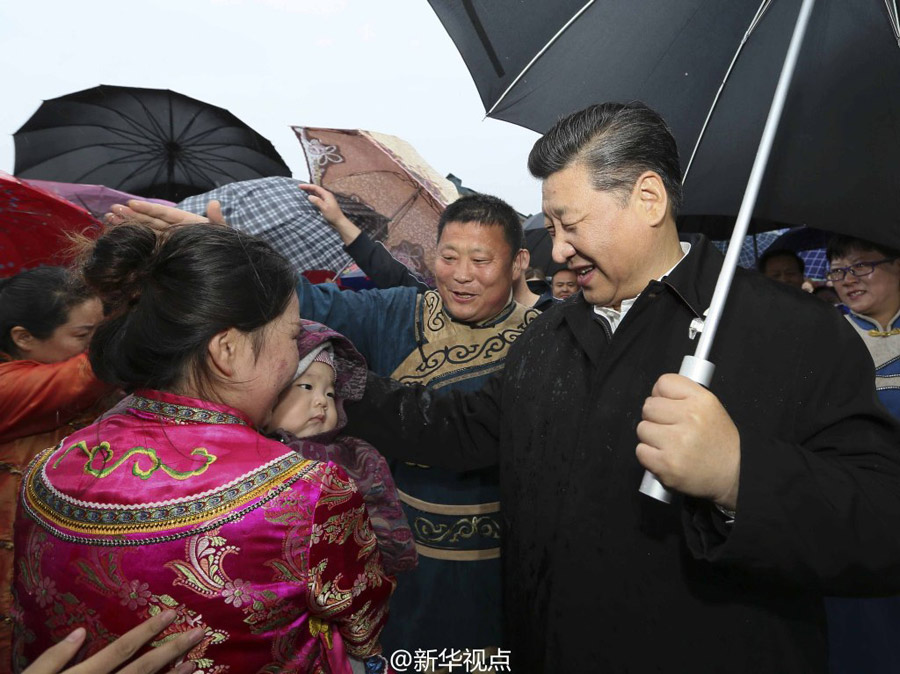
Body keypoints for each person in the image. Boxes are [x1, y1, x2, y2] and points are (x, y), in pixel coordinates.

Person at [342, 102, 900, 673]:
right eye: (553, 227)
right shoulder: (549, 336)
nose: (557, 248)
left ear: (648, 199)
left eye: (571, 223)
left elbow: (880, 529)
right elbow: (462, 428)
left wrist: (739, 475)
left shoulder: (795, 333)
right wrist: (336, 391)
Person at [109, 188, 540, 660]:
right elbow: (314, 302)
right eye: (449, 256)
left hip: (486, 559)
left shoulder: (543, 342)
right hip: (379, 545)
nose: (461, 275)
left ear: (518, 262)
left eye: (480, 260)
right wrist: (236, 261)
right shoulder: (397, 309)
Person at [13, 224, 394, 673]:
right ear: (227, 350)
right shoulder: (309, 491)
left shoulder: (46, 468)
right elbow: (363, 632)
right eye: (292, 337)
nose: (295, 357)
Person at [0, 267, 114, 669]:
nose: (94, 344)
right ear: (23, 338)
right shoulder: (7, 384)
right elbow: (81, 378)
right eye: (84, 336)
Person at [267, 319, 417, 575]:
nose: (322, 402)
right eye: (306, 386)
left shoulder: (358, 458)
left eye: (329, 393)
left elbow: (388, 528)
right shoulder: (252, 453)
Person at [823, 234, 900, 673]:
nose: (848, 280)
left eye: (861, 266)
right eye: (838, 271)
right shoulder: (821, 335)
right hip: (853, 516)